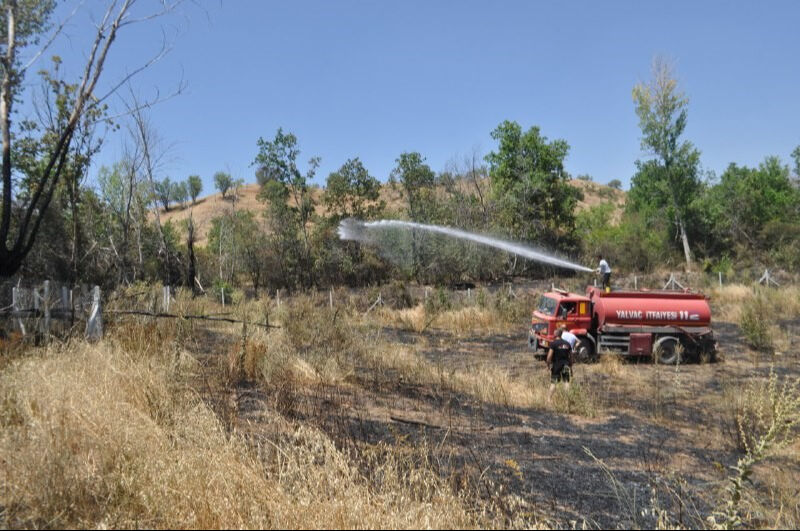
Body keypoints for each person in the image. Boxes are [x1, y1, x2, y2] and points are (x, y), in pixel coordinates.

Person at [546, 327, 574, 404]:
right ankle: (567, 401)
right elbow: (571, 357)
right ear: (561, 334)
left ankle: (549, 400)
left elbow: (549, 356)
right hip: (566, 365)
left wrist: (548, 365)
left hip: (556, 366)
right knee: (566, 383)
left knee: (554, 383)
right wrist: (571, 367)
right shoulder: (567, 344)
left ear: (555, 334)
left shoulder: (553, 343)